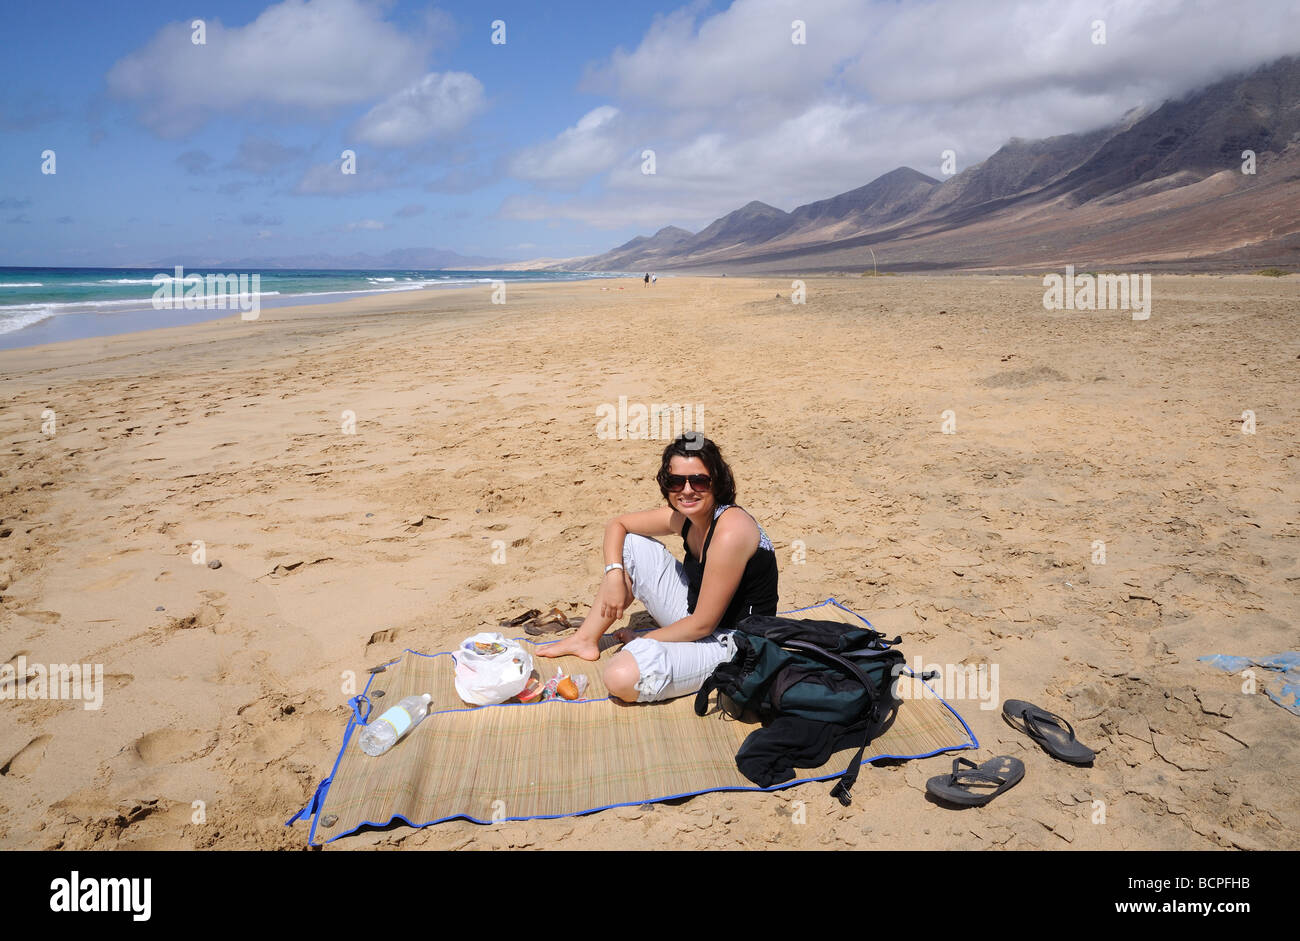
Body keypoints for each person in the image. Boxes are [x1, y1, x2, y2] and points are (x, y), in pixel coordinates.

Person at [538, 435, 779, 703]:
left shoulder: (730, 531)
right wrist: (615, 574)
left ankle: (651, 651)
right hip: (698, 616)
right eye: (676, 481)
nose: (687, 490)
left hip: (734, 643)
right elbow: (617, 524)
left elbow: (703, 624)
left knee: (620, 677)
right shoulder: (686, 518)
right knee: (630, 544)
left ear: (717, 482)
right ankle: (585, 639)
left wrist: (644, 641)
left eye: (699, 480)